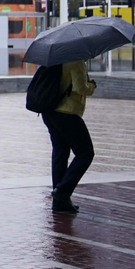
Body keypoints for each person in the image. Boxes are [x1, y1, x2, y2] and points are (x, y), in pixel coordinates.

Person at [42, 61, 96, 215]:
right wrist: (91, 85)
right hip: (67, 113)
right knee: (85, 153)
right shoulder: (76, 60)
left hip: (50, 111)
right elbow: (81, 88)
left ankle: (59, 203)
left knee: (61, 153)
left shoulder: (56, 59)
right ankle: (63, 191)